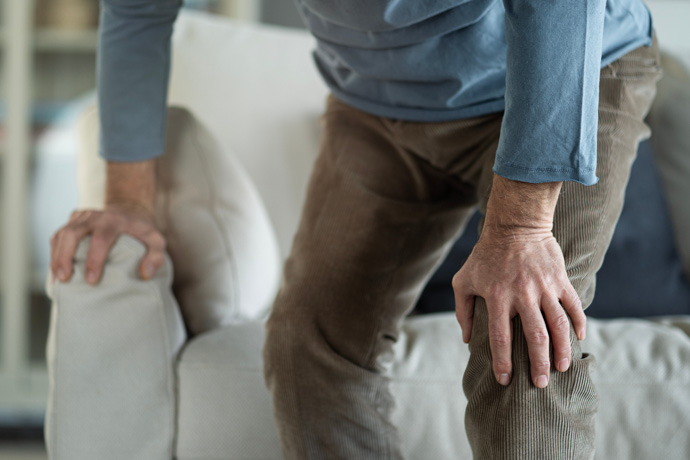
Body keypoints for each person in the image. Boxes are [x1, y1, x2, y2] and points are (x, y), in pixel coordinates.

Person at [50, 0, 661, 458]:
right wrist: (128, 201)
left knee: (526, 333)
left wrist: (522, 228)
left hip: (568, 69)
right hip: (379, 99)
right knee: (306, 346)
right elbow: (136, 9)